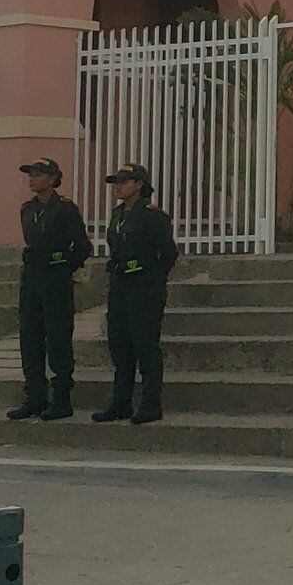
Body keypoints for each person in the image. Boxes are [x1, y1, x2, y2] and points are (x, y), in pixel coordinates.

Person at [91, 162, 179, 426]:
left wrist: (151, 278)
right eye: (116, 182)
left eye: (124, 181)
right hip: (120, 285)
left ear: (139, 184)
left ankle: (151, 405)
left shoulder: (152, 216)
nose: (118, 186)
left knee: (145, 346)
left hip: (144, 287)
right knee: (120, 345)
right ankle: (121, 403)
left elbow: (168, 253)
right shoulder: (118, 215)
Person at [6, 157, 92, 421]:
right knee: (30, 337)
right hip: (32, 280)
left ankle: (61, 397)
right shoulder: (27, 209)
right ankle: (35, 395)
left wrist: (60, 264)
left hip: (55, 279)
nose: (33, 179)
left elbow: (82, 248)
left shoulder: (64, 209)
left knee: (57, 338)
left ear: (53, 179)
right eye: (31, 174)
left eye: (39, 174)